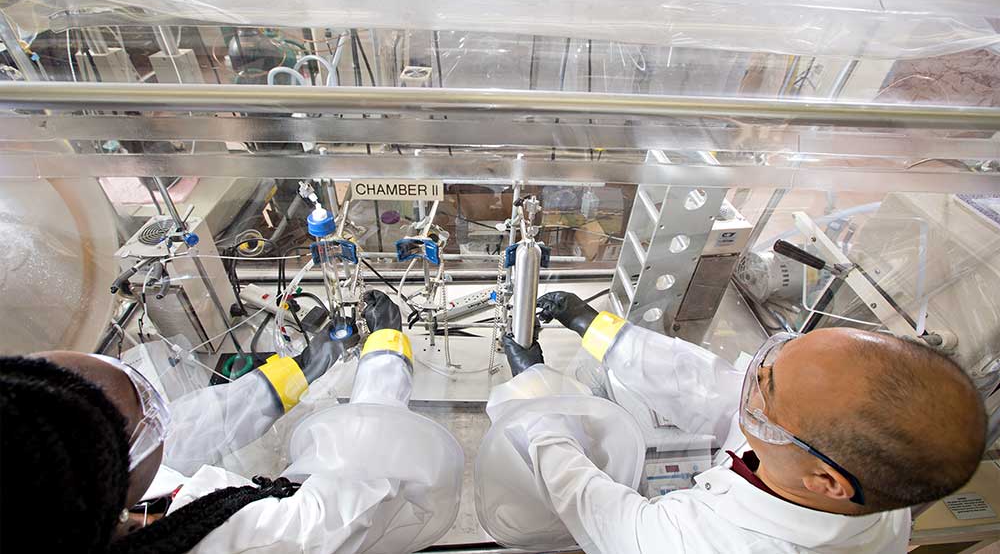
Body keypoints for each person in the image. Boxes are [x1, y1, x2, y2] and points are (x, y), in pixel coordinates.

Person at [491, 290, 987, 554]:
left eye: (765, 387)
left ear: (826, 480)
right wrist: (597, 329)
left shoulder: (699, 546)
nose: (750, 376)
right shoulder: (876, 481)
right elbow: (712, 390)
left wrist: (535, 393)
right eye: (776, 355)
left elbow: (586, 500)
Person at [0, 290, 463, 554]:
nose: (159, 408)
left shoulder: (70, 492)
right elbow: (369, 469)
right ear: (116, 465)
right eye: (143, 407)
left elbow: (193, 429)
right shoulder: (249, 542)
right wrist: (386, 348)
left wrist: (300, 369)